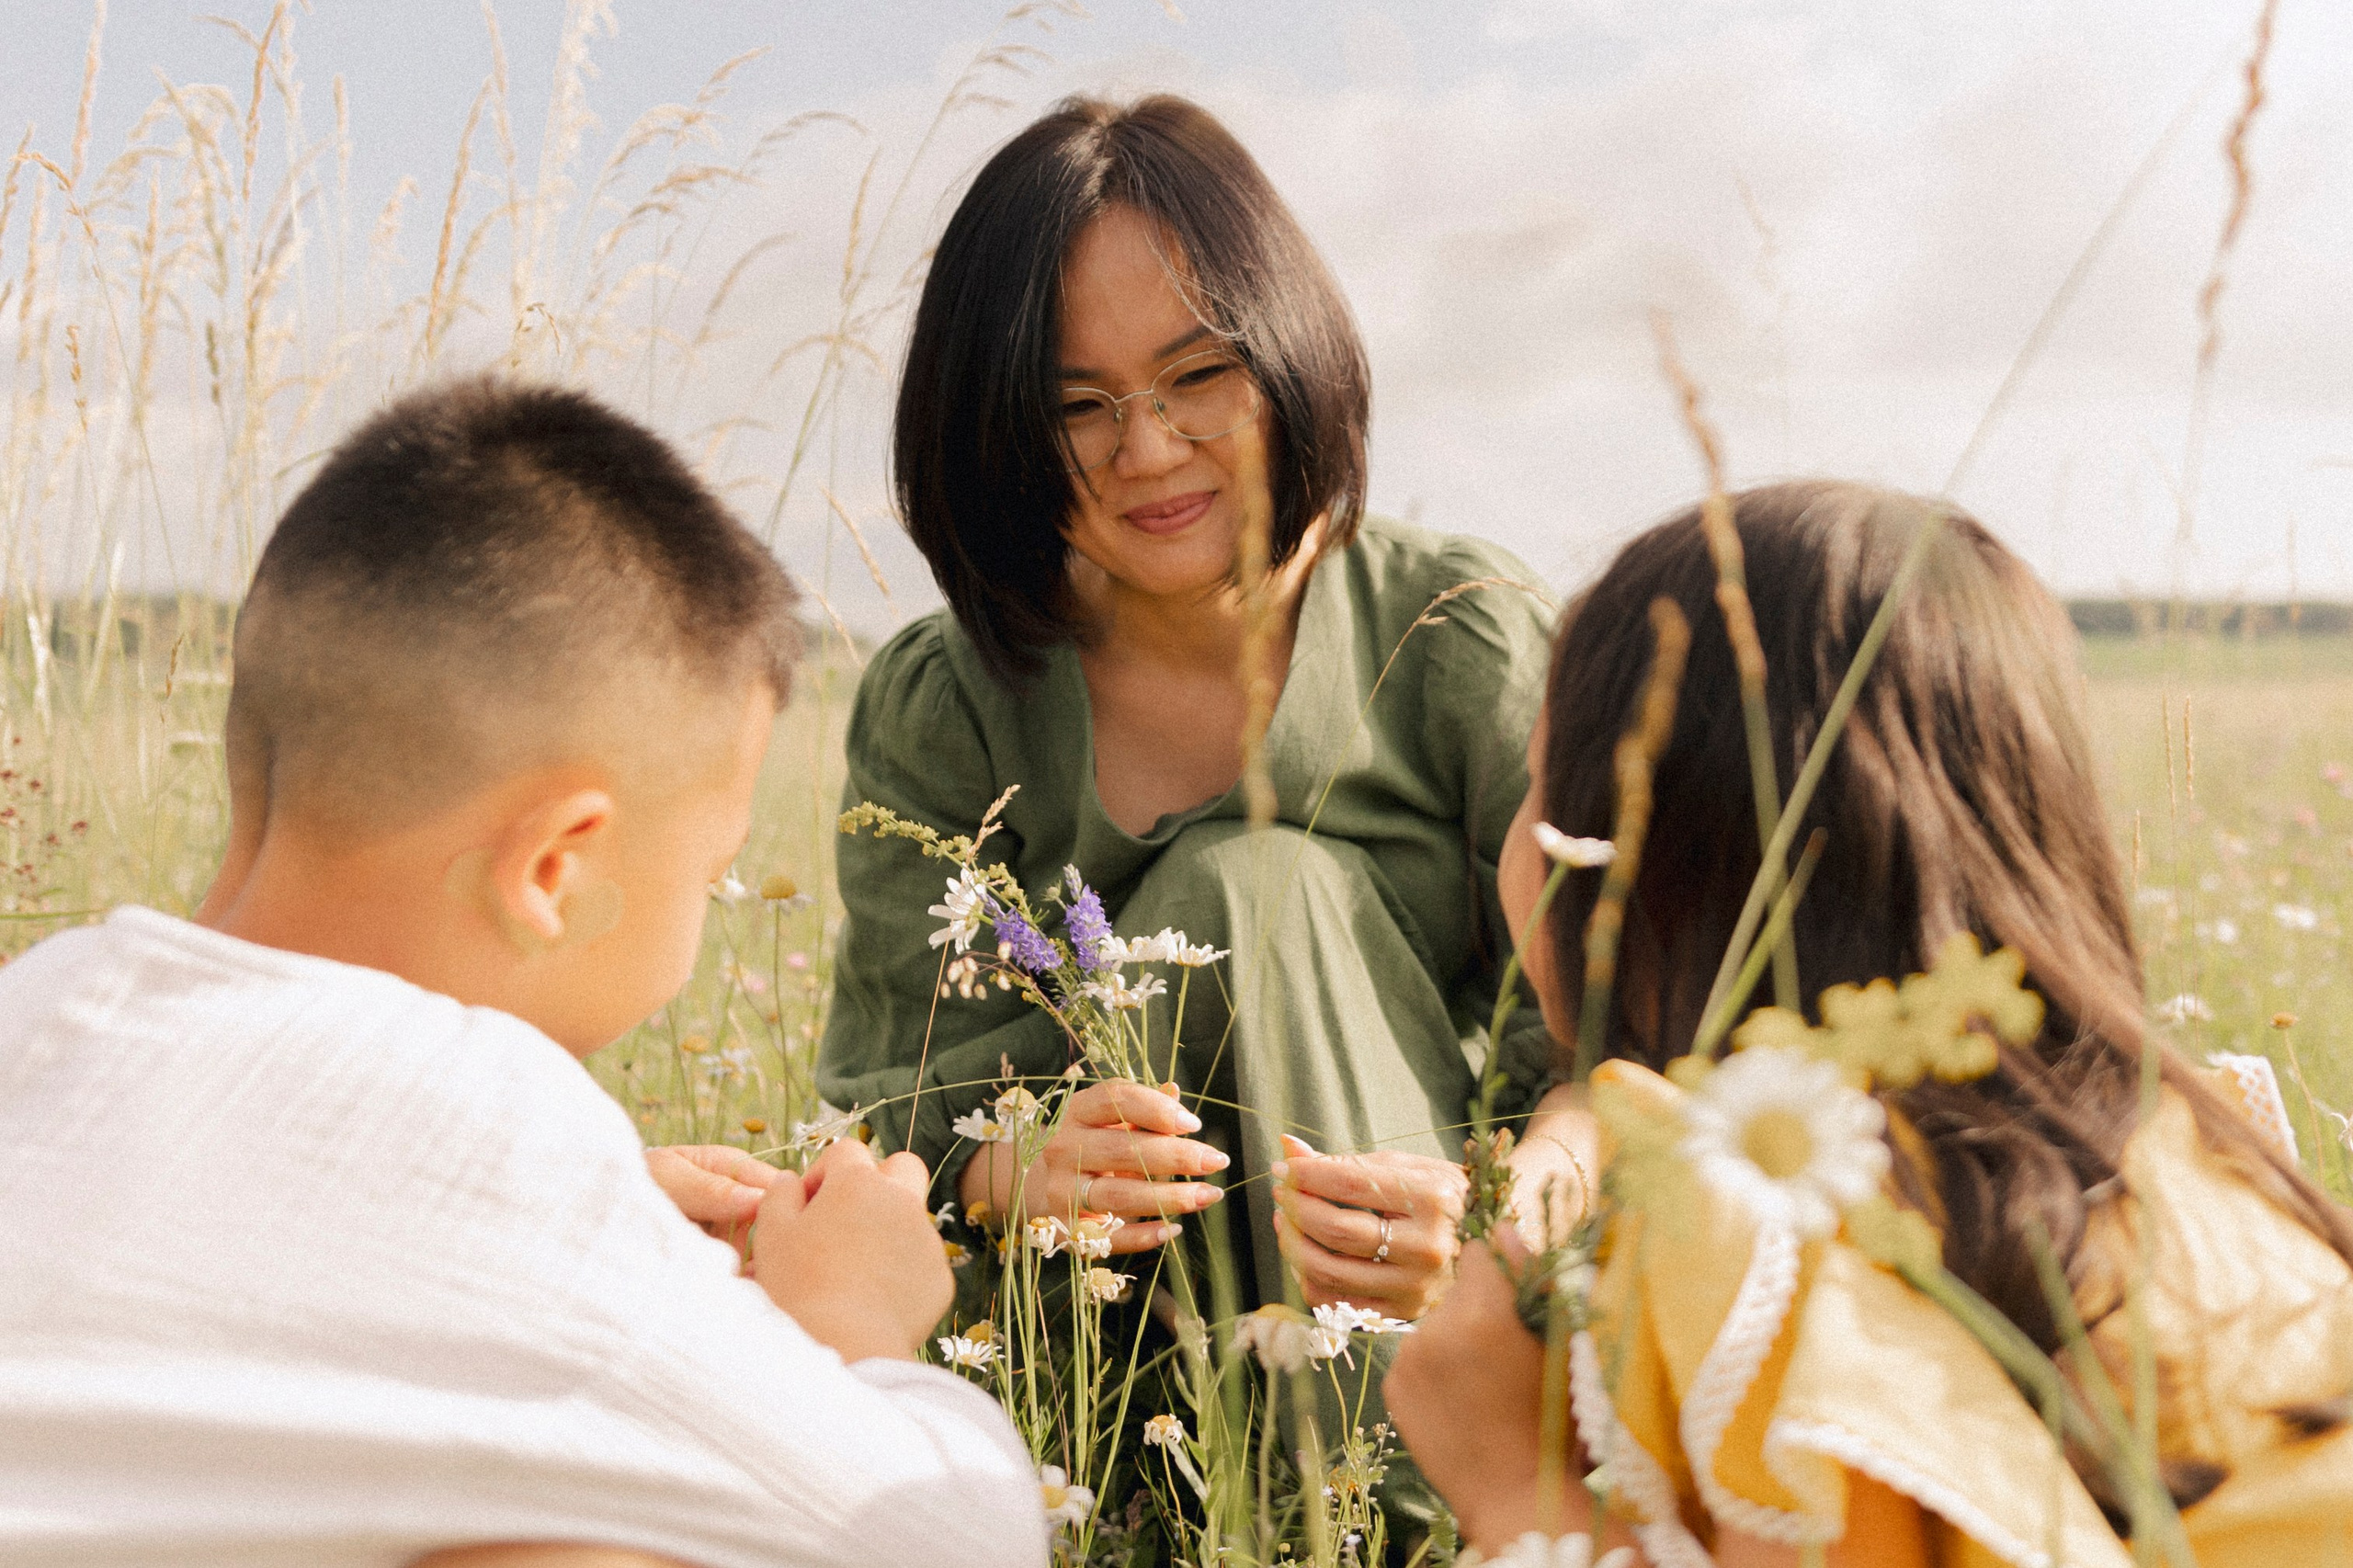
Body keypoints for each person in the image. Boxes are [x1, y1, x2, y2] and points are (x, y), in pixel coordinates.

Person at [0, 380, 1047, 1568]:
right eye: (706, 873)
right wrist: (857, 1314)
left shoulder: (41, 1002)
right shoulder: (496, 1143)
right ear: (554, 867)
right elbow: (951, 1534)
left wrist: (605, 1218)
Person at [1386, 481, 2353, 1565]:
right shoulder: (2177, 1141)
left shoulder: (1778, 1243)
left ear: (1644, 877)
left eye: (1533, 787)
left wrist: (1512, 1477)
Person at [819, 94, 1557, 1335]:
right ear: (996, 427)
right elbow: (876, 1110)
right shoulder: (944, 701)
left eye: (1199, 374)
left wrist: (1500, 1207)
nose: (1150, 450)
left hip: (1429, 1310)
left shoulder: (1459, 635)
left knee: (1263, 892)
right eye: (1077, 406)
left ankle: (1381, 1505)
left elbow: (1626, 1046)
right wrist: (1028, 1163)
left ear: (1288, 355)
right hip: (1095, 1362)